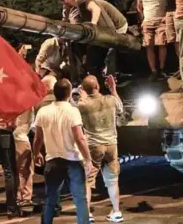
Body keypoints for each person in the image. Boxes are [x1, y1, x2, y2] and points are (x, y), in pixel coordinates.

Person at [33, 79, 93, 224]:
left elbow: (38, 138)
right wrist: (88, 159)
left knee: (50, 199)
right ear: (69, 93)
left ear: (54, 92)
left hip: (52, 160)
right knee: (80, 199)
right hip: (72, 160)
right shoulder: (72, 111)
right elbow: (79, 138)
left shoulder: (43, 111)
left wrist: (36, 154)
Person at [77, 75, 124, 222]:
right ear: (97, 86)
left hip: (93, 146)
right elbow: (120, 108)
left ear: (83, 89)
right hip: (111, 145)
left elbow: (74, 111)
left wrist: (82, 96)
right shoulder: (110, 99)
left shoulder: (83, 105)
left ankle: (87, 214)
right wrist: (113, 89)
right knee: (112, 180)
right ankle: (116, 212)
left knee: (88, 181)